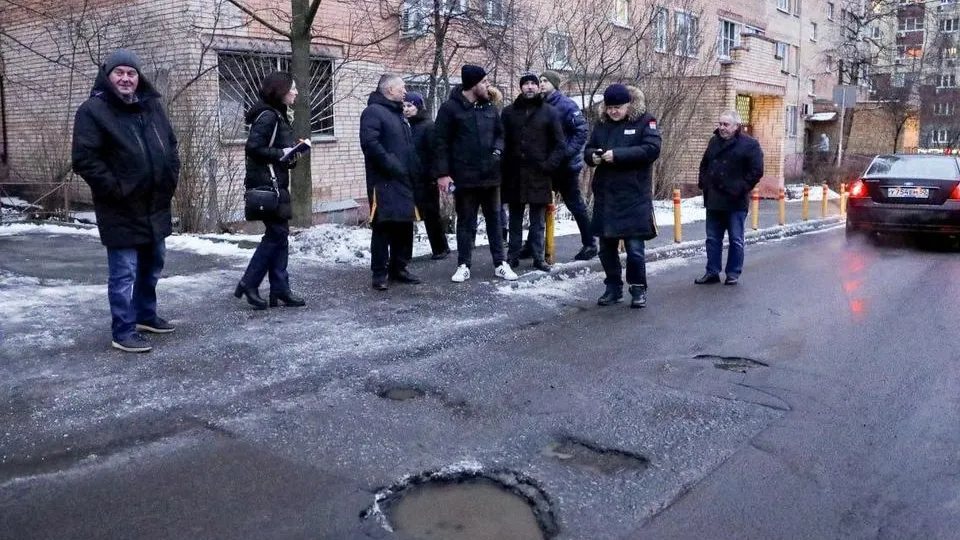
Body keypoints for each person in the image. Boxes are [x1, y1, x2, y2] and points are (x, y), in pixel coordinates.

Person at [72, 49, 181, 353]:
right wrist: (117, 188)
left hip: (155, 203)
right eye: (119, 72)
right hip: (120, 207)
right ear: (107, 77)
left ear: (138, 77)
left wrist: (170, 178)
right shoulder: (93, 111)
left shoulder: (152, 107)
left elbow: (171, 147)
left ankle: (145, 315)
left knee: (153, 264)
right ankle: (122, 330)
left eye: (131, 73)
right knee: (124, 273)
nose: (125, 78)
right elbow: (85, 159)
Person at [433, 64, 517, 282]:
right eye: (484, 82)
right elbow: (440, 143)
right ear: (473, 84)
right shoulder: (450, 109)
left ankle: (500, 263)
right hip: (464, 178)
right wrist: (443, 174)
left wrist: (498, 151)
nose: (487, 85)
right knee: (466, 223)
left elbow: (501, 134)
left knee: (495, 222)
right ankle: (463, 265)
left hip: (491, 177)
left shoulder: (489, 107)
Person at [583, 84, 661, 309]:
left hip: (634, 195)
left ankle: (638, 288)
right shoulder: (602, 124)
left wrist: (617, 155)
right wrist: (593, 157)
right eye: (610, 108)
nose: (613, 112)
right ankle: (613, 287)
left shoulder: (646, 121)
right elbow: (589, 149)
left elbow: (651, 150)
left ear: (629, 105)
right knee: (606, 249)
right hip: (606, 195)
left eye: (618, 107)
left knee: (635, 249)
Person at [234, 71, 307, 309]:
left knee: (280, 235)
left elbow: (274, 151)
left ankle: (280, 288)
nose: (296, 92)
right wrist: (281, 154)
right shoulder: (268, 116)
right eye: (292, 88)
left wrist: (292, 155)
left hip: (275, 183)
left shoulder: (279, 114)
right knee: (276, 235)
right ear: (280, 90)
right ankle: (249, 282)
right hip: (268, 186)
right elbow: (253, 148)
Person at [360, 74, 422, 291]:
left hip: (404, 180)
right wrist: (392, 165)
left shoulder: (398, 115)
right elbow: (370, 144)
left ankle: (400, 268)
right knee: (383, 226)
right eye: (401, 88)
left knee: (404, 225)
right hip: (383, 181)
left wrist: (413, 169)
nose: (405, 92)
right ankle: (379, 273)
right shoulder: (373, 113)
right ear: (389, 90)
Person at [501, 72, 566, 272]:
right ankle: (512, 257)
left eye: (533, 84)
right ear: (521, 88)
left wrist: (549, 165)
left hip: (540, 174)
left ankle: (539, 257)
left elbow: (560, 145)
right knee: (515, 218)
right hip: (514, 174)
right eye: (526, 84)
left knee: (538, 220)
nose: (529, 87)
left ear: (538, 87)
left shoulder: (550, 112)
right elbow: (502, 141)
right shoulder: (509, 112)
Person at [695, 110, 764, 286]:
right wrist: (704, 183)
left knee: (736, 239)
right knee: (712, 239)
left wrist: (739, 188)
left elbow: (756, 171)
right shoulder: (714, 142)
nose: (722, 128)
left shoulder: (749, 144)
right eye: (720, 124)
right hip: (714, 199)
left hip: (735, 201)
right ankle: (712, 272)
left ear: (736, 126)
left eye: (726, 124)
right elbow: (704, 164)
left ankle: (733, 273)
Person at [538, 70, 596, 261]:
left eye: (546, 81)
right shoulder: (539, 104)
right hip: (545, 166)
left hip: (565, 167)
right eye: (541, 81)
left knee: (575, 204)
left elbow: (581, 132)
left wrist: (566, 154)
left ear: (555, 84)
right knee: (538, 205)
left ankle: (590, 244)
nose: (542, 84)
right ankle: (534, 244)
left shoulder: (567, 105)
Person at [404, 91, 450, 260]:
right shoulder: (406, 126)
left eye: (410, 105)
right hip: (410, 178)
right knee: (408, 216)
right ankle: (405, 254)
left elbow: (435, 153)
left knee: (431, 215)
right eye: (404, 106)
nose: (406, 109)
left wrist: (434, 176)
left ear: (418, 106)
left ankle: (441, 248)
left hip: (426, 179)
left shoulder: (428, 126)